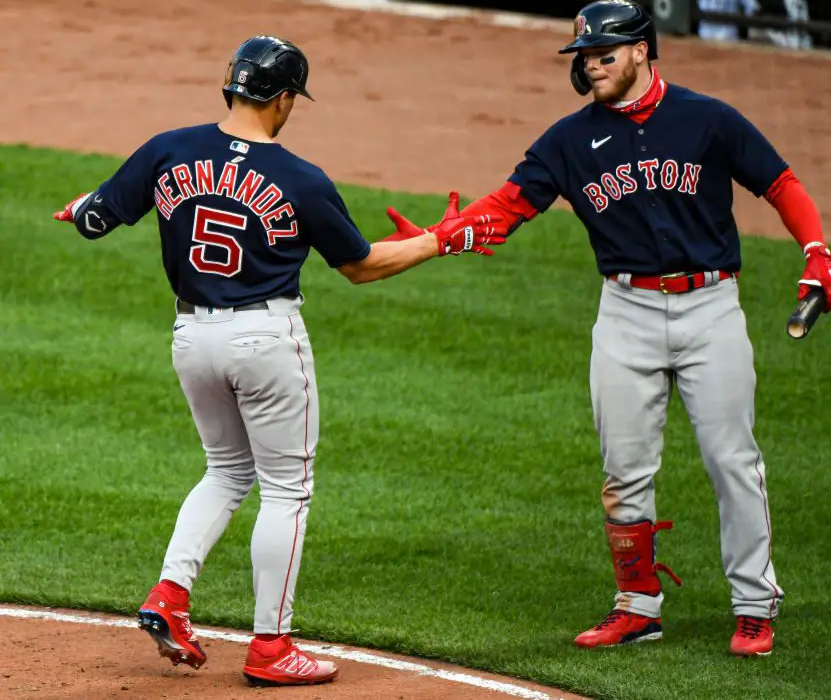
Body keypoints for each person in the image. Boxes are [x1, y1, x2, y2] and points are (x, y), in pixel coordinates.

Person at [386, 0, 831, 657]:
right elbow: (510, 205)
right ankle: (637, 604)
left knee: (733, 462)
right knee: (623, 471)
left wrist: (816, 254)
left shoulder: (708, 119)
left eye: (605, 54)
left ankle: (753, 605)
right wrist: (443, 235)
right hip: (624, 312)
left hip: (709, 306)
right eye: (585, 57)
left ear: (641, 51)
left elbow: (782, 184)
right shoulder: (569, 142)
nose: (592, 66)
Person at [52, 35, 503, 686]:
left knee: (227, 469)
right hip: (265, 340)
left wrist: (77, 210)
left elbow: (96, 217)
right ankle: (271, 646)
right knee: (286, 488)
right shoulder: (300, 178)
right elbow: (361, 265)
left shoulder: (167, 149)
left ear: (231, 85)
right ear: (285, 97)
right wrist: (441, 240)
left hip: (191, 338)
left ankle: (171, 593)